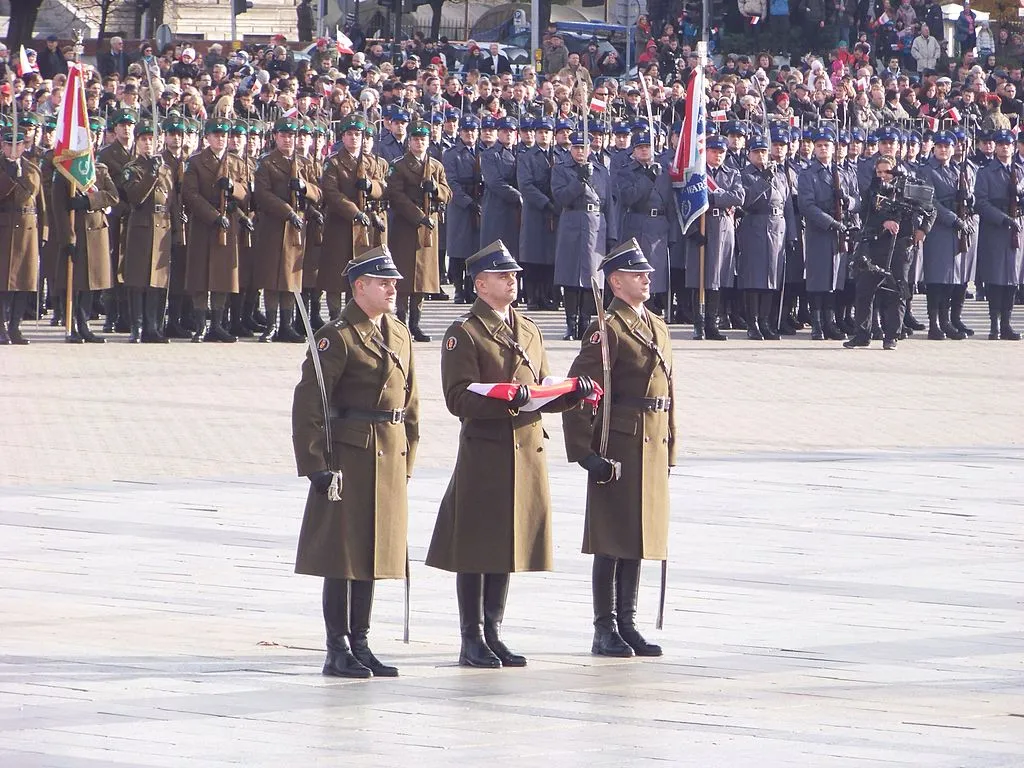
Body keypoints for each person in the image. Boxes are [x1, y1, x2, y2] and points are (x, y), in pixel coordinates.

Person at [426, 240, 593, 669]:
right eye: (503, 276)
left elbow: (540, 388)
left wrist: (570, 395)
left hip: (525, 451)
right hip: (487, 450)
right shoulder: (464, 333)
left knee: (506, 546)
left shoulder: (530, 330)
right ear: (481, 285)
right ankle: (471, 637)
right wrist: (508, 399)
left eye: (514, 275)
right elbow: (458, 398)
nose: (512, 281)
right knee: (477, 546)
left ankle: (494, 632)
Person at [292, 245, 419, 678]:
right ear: (359, 287)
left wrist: (407, 459)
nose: (393, 288)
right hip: (350, 455)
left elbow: (411, 404)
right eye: (384, 282)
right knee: (342, 557)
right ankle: (337, 647)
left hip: (388, 456)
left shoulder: (399, 333)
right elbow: (310, 402)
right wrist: (315, 466)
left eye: (394, 282)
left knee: (372, 553)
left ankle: (361, 641)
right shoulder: (339, 335)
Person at [562, 238, 674, 658]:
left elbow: (669, 392)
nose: (646, 278)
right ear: (615, 281)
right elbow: (579, 392)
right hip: (621, 442)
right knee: (612, 538)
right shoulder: (606, 329)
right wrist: (584, 452)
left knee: (639, 536)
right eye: (636, 273)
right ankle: (604, 626)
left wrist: (671, 446)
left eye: (646, 272)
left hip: (653, 440)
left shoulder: (656, 324)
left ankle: (628, 622)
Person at [844, 155, 935, 350]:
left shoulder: (909, 188)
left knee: (897, 290)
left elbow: (931, 209)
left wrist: (922, 230)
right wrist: (883, 222)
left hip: (901, 245)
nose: (883, 176)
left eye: (887, 171)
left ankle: (892, 335)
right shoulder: (872, 190)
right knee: (864, 289)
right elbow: (866, 216)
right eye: (879, 172)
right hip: (876, 244)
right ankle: (862, 334)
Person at [252, 115, 322, 343]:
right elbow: (262, 194)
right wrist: (287, 211)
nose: (288, 140)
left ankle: (287, 325)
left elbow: (319, 193)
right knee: (273, 277)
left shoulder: (304, 163)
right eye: (283, 135)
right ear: (275, 137)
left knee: (292, 278)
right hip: (275, 225)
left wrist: (305, 188)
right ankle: (271, 325)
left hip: (298, 228)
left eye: (292, 136)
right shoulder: (266, 163)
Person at [181, 116, 251, 343]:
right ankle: (201, 325)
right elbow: (190, 194)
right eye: (216, 135)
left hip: (227, 225)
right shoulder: (196, 162)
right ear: (207, 138)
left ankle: (217, 325)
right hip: (204, 224)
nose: (220, 139)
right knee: (200, 276)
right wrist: (213, 216)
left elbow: (247, 192)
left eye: (223, 135)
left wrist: (234, 191)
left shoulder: (236, 162)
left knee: (222, 277)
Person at [386, 120, 452, 341]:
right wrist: (418, 216)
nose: (419, 143)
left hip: (429, 226)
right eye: (415, 139)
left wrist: (437, 191)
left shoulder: (435, 166)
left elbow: (447, 192)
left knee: (423, 278)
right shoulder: (399, 165)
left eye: (423, 139)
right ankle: (401, 320)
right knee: (405, 277)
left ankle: (416, 323)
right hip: (407, 225)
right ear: (409, 141)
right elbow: (396, 195)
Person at [320, 115, 388, 318]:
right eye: (349, 134)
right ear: (343, 137)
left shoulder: (372, 162)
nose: (354, 138)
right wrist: (354, 212)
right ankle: (335, 316)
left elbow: (383, 186)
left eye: (358, 135)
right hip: (340, 224)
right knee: (335, 277)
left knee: (361, 276)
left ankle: (356, 315)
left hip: (365, 228)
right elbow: (331, 192)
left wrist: (371, 186)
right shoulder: (333, 162)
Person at [51, 160, 120, 343]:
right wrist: (67, 239)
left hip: (97, 232)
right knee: (73, 283)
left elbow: (113, 196)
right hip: (76, 232)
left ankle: (84, 324)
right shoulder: (64, 173)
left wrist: (89, 200)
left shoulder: (100, 170)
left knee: (91, 282)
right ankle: (71, 325)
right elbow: (58, 208)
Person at [120, 121, 174, 344]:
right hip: (141, 226)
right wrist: (151, 174)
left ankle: (153, 327)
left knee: (157, 281)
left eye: (152, 139)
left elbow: (173, 200)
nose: (148, 143)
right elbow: (135, 197)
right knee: (138, 279)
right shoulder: (132, 169)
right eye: (144, 139)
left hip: (163, 226)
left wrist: (178, 230)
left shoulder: (166, 168)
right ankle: (138, 327)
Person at [918, 130, 974, 340]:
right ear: (934, 149)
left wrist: (967, 198)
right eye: (940, 146)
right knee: (936, 279)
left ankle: (946, 321)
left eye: (947, 147)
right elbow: (930, 201)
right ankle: (934, 324)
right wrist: (953, 218)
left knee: (952, 279)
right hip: (938, 227)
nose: (943, 150)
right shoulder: (927, 171)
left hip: (955, 230)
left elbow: (970, 196)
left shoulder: (956, 170)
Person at [687, 134, 744, 340]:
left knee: (718, 278)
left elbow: (738, 197)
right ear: (706, 152)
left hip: (724, 227)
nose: (718, 155)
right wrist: (693, 230)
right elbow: (689, 200)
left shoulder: (732, 173)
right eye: (713, 151)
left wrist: (711, 197)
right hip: (702, 225)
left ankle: (712, 323)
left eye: (721, 152)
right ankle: (698, 323)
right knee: (700, 277)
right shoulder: (697, 174)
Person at [974, 129, 1024, 340]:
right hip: (996, 229)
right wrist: (1003, 218)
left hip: (1016, 229)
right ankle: (994, 324)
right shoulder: (985, 172)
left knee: (1012, 278)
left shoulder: (1020, 171)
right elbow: (981, 202)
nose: (1005, 147)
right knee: (995, 278)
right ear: (995, 147)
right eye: (1001, 144)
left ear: (1014, 147)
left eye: (1009, 144)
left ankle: (1006, 324)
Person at [0, 126, 47, 345]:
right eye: (8, 144)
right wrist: (9, 176)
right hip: (5, 227)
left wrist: (44, 232)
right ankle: (1, 327)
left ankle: (16, 327)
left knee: (24, 282)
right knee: (3, 283)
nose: (12, 149)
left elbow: (40, 203)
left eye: (17, 144)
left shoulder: (31, 168)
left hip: (28, 228)